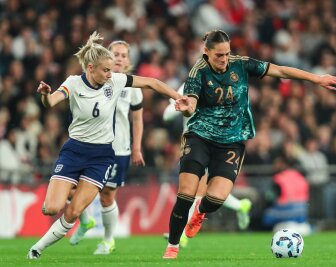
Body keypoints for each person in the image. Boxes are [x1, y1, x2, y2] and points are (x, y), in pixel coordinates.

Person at [163, 29, 336, 259]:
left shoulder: (241, 64)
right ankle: (173, 246)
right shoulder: (197, 72)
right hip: (200, 137)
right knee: (186, 193)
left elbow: (278, 70)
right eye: (219, 55)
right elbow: (192, 103)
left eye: (227, 54)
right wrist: (187, 106)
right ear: (206, 52)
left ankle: (200, 212)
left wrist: (316, 78)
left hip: (232, 141)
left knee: (216, 198)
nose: (224, 59)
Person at [27, 31, 182, 260]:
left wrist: (177, 97)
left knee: (75, 210)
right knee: (50, 208)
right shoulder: (73, 83)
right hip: (73, 151)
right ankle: (79, 217)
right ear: (90, 68)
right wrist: (45, 94)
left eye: (112, 68)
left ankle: (36, 249)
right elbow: (50, 102)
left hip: (101, 156)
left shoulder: (117, 81)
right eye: (106, 70)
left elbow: (151, 83)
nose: (111, 74)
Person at [68, 40, 146, 255]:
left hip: (118, 150)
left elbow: (137, 120)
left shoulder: (131, 87)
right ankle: (85, 221)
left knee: (106, 196)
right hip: (90, 145)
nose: (120, 58)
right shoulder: (97, 80)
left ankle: (108, 240)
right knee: (69, 187)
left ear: (128, 60)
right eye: (116, 54)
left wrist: (136, 147)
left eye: (124, 55)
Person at [163, 83, 252, 248]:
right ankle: (240, 205)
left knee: (196, 191)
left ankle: (181, 235)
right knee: (202, 191)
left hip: (212, 145)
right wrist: (177, 104)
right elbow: (167, 115)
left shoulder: (223, 85)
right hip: (193, 145)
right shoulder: (189, 85)